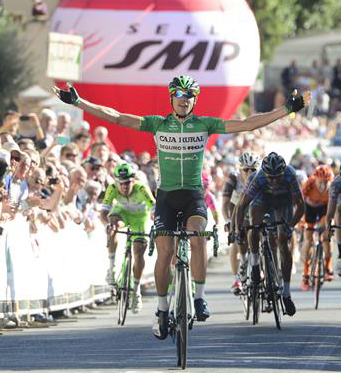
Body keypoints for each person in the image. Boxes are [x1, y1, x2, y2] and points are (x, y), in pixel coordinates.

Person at [53, 75, 310, 340]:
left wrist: (287, 110)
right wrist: (79, 102)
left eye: (189, 96)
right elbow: (117, 117)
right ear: (172, 98)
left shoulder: (204, 124)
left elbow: (247, 124)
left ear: (195, 100)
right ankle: (163, 308)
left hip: (193, 196)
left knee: (198, 238)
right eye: (179, 95)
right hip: (166, 198)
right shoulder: (158, 124)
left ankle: (199, 298)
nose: (184, 100)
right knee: (165, 253)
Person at [232, 152, 304, 317]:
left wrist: (290, 226)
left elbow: (300, 206)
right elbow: (241, 206)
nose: (273, 180)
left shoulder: (290, 175)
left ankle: (286, 293)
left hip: (283, 201)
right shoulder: (258, 178)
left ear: (282, 173)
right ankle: (256, 263)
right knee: (254, 225)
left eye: (277, 177)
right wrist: (239, 230)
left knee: (283, 241)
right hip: (262, 198)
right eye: (270, 177)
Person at [100, 163, 155, 314]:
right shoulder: (111, 188)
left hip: (139, 219)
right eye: (121, 183)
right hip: (122, 214)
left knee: (138, 253)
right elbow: (103, 212)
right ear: (116, 182)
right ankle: (111, 268)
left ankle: (136, 291)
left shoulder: (141, 188)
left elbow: (154, 208)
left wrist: (154, 217)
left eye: (127, 183)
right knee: (113, 226)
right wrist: (107, 225)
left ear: (133, 180)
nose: (124, 187)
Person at [221, 151, 259, 294]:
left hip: (254, 207)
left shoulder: (260, 178)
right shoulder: (233, 177)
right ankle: (237, 277)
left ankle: (260, 268)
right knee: (237, 239)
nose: (249, 172)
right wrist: (228, 220)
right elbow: (225, 203)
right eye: (246, 169)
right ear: (239, 169)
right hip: (236, 208)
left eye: (253, 169)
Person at [300, 164, 334, 290]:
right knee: (308, 238)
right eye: (321, 182)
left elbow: (334, 206)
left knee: (326, 236)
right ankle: (306, 271)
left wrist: (330, 225)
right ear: (316, 179)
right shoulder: (309, 183)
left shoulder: (332, 188)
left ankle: (328, 265)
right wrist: (300, 220)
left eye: (326, 182)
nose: (324, 185)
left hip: (324, 209)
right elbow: (300, 201)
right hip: (309, 208)